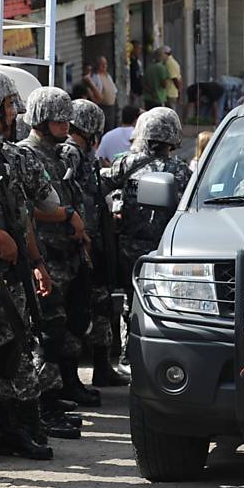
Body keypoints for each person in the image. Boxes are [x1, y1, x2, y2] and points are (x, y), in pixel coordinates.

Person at [0, 69, 72, 452]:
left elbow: (35, 210)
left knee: (14, 350)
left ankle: (11, 429)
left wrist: (37, 263)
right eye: (8, 106)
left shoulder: (14, 156)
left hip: (15, 272)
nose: (13, 113)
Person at [18, 89, 99, 408]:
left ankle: (68, 383)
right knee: (48, 330)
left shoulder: (63, 154)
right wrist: (67, 215)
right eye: (59, 119)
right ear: (40, 120)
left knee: (73, 323)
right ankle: (46, 396)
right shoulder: (26, 154)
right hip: (45, 254)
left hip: (70, 252)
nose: (67, 125)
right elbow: (25, 206)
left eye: (68, 119)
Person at [103, 108, 192, 357]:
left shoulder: (126, 163)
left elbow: (99, 188)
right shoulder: (181, 170)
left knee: (132, 302)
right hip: (167, 249)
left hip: (131, 248)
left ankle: (128, 352)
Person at [60, 99, 130, 388]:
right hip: (77, 248)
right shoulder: (70, 154)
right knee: (76, 313)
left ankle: (102, 367)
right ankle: (70, 379)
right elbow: (69, 199)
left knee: (99, 307)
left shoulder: (84, 156)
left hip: (94, 247)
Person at [90, 56, 119, 131]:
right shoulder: (95, 77)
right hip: (102, 107)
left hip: (111, 107)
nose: (104, 66)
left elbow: (114, 90)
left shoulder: (107, 76)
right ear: (97, 65)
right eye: (102, 64)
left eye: (105, 64)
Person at [163, 46, 183, 112]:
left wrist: (179, 92)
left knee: (170, 112)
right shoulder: (173, 62)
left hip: (170, 92)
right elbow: (179, 78)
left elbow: (175, 79)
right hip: (173, 92)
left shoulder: (169, 63)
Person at [129, 40, 144, 106]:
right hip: (133, 92)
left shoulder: (137, 61)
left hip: (139, 91)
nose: (139, 51)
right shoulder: (131, 62)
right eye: (138, 48)